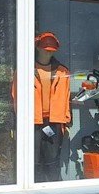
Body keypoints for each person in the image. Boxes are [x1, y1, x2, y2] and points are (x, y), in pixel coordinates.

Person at [31, 31, 72, 181]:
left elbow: (67, 97)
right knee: (33, 160)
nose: (48, 53)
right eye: (45, 50)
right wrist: (17, 123)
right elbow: (16, 97)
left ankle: (55, 191)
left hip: (54, 121)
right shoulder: (26, 70)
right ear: (38, 48)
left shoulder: (62, 72)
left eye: (51, 51)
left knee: (53, 160)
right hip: (33, 121)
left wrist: (67, 121)